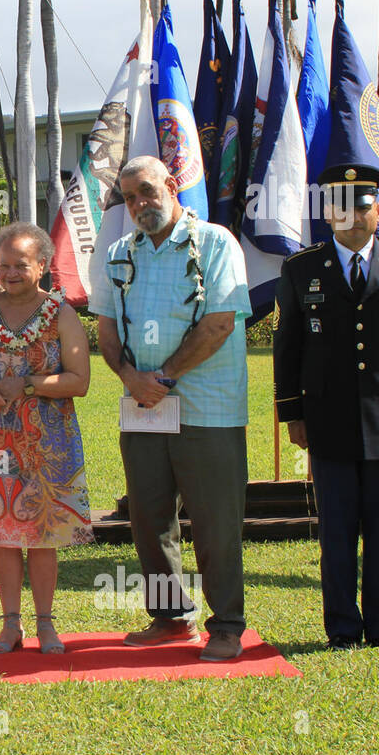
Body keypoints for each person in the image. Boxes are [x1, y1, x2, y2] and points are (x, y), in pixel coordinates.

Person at [91, 155, 252, 662]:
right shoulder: (118, 253)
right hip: (143, 408)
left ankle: (225, 624)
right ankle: (170, 617)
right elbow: (107, 330)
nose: (139, 203)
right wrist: (130, 377)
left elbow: (220, 323)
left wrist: (163, 378)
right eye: (130, 197)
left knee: (215, 520)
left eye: (147, 191)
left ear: (173, 185)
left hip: (208, 410)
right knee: (149, 517)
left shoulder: (216, 243)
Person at [273, 163, 379, 654]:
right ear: (329, 214)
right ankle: (343, 627)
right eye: (342, 210)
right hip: (327, 416)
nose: (353, 219)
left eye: (362, 208)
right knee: (337, 530)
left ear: (377, 211)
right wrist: (292, 413)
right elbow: (288, 346)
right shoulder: (302, 268)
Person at [0, 222, 92, 654]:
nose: (8, 273)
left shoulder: (61, 314)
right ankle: (11, 625)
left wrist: (27, 383)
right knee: (4, 533)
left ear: (43, 266)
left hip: (46, 442)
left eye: (20, 265)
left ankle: (46, 624)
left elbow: (79, 380)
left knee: (42, 535)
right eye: (4, 264)